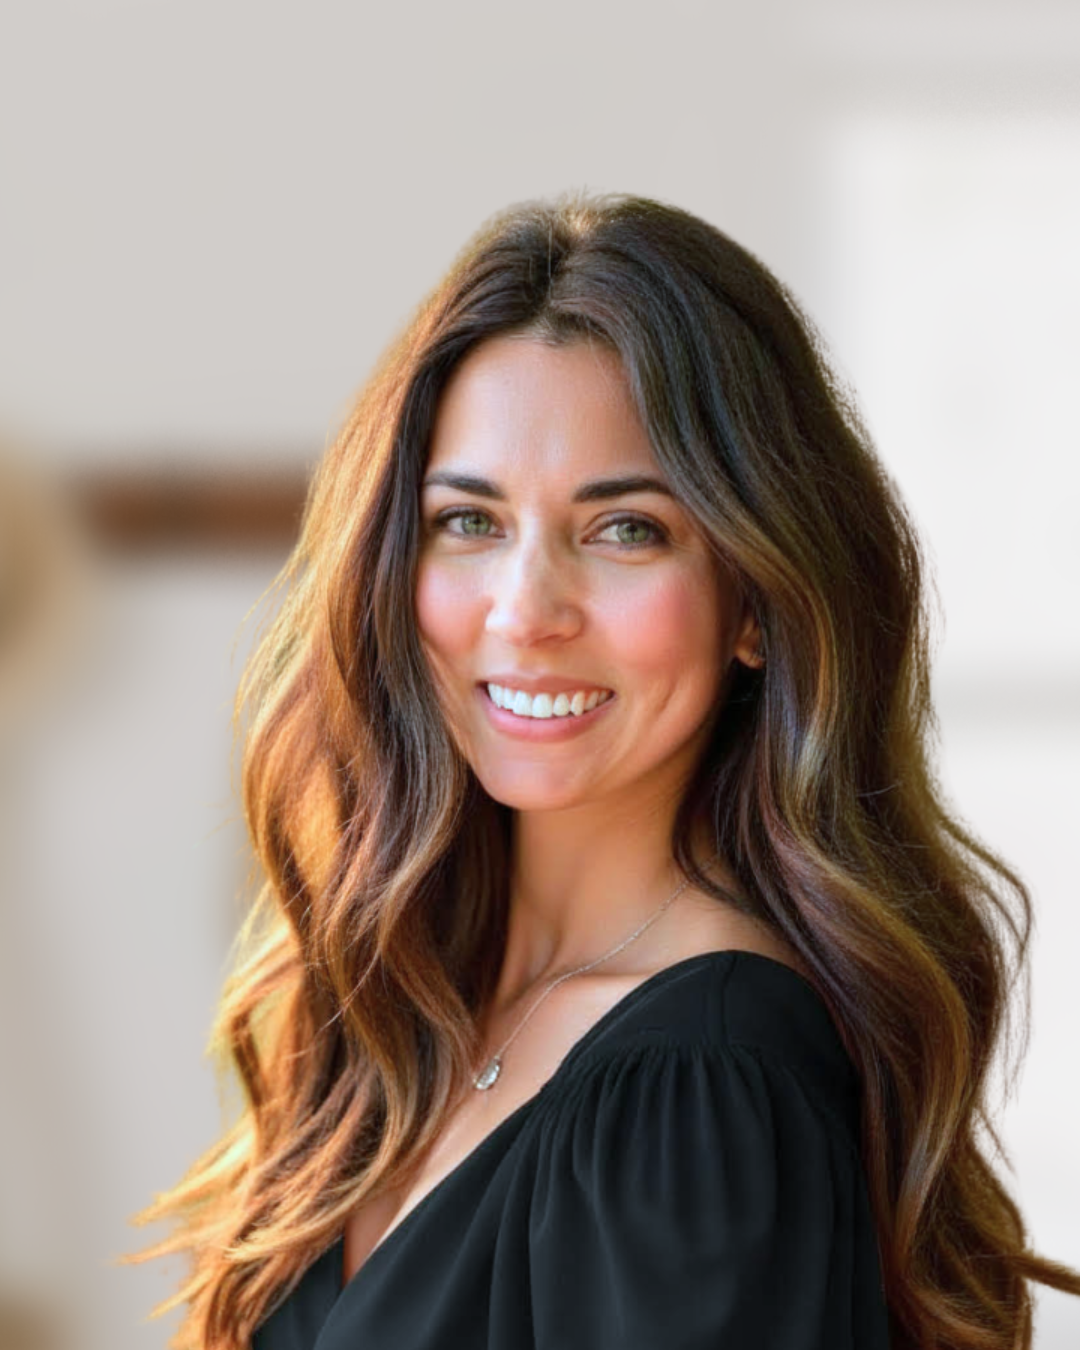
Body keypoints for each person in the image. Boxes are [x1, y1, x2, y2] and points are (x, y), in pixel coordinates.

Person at [122, 190, 1080, 1350]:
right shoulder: (412, 1003)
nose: (525, 613)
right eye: (468, 523)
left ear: (756, 605)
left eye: (625, 529)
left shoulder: (705, 1091)